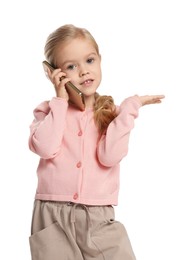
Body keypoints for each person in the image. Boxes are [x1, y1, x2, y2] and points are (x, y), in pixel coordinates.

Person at [28, 24, 165, 260]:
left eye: (89, 61)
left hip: (98, 216)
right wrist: (60, 101)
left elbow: (109, 156)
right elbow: (45, 148)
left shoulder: (111, 114)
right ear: (53, 73)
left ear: (100, 60)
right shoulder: (48, 111)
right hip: (51, 215)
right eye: (71, 66)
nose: (83, 72)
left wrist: (130, 108)